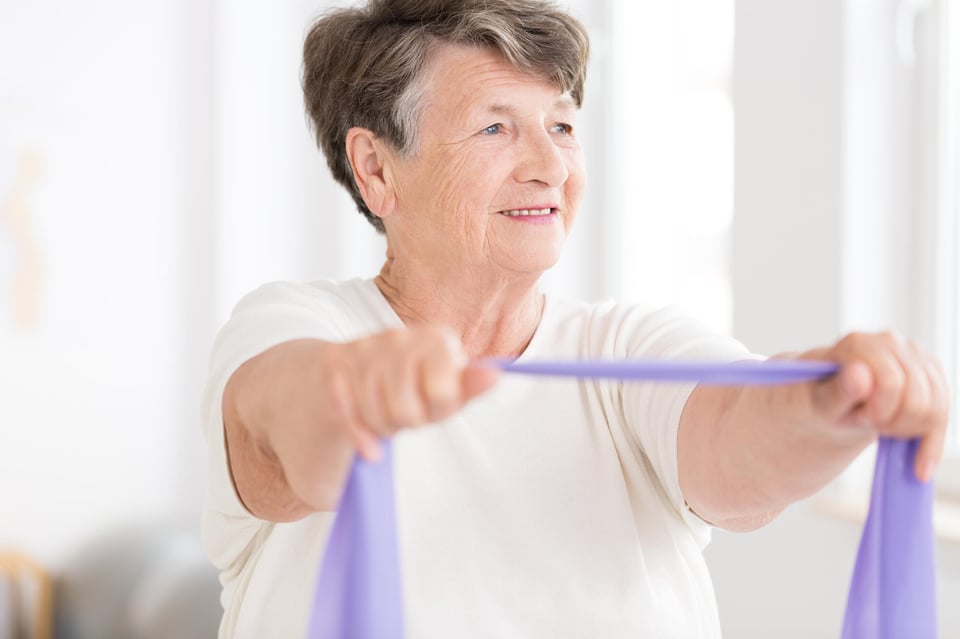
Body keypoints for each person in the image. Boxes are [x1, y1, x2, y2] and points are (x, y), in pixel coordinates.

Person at [200, 0, 949, 637]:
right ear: (376, 168)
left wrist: (837, 398)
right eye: (495, 129)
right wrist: (349, 400)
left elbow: (739, 435)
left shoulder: (626, 348)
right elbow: (282, 426)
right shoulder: (299, 326)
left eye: (561, 126)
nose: (551, 167)